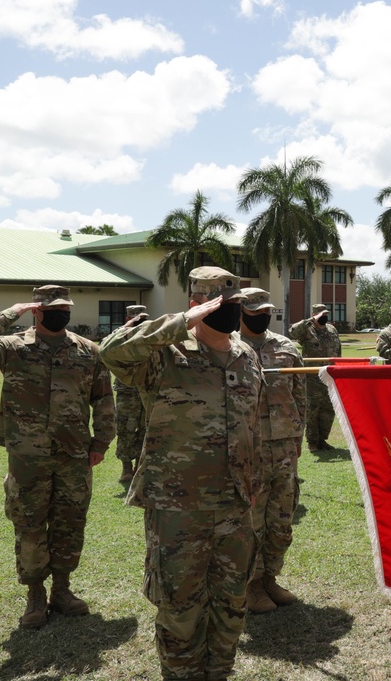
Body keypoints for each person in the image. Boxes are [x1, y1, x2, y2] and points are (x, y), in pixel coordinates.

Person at [99, 267, 263, 681]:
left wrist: (254, 482)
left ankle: (219, 672)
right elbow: (111, 351)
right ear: (197, 304)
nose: (231, 312)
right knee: (180, 608)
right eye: (221, 305)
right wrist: (177, 324)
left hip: (234, 507)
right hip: (177, 510)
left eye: (235, 304)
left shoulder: (248, 358)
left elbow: (251, 428)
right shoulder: (163, 356)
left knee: (231, 603)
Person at [0, 285, 114, 628]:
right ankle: (35, 594)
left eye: (65, 307)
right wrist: (8, 314)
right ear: (36, 311)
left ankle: (62, 590)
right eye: (53, 308)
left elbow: (103, 399)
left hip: (74, 454)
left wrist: (101, 443)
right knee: (29, 524)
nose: (62, 313)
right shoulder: (13, 347)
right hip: (28, 455)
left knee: (70, 523)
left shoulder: (88, 351)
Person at [238, 288, 307, 615]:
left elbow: (299, 395)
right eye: (255, 311)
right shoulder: (229, 349)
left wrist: (298, 438)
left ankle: (270, 578)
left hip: (283, 447)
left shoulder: (287, 347)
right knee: (252, 520)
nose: (262, 316)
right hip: (248, 449)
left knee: (281, 517)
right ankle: (250, 585)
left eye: (266, 310)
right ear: (241, 313)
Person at [289, 303, 341, 452]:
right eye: (321, 315)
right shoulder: (307, 331)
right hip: (312, 378)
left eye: (325, 314)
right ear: (314, 315)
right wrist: (309, 321)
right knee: (312, 410)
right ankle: (312, 442)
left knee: (328, 409)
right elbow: (292, 332)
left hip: (330, 376)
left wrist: (339, 370)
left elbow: (338, 351)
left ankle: (322, 440)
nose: (324, 317)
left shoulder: (332, 330)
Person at [114, 304, 148, 482]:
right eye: (136, 319)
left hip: (147, 389)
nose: (140, 322)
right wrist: (125, 329)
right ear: (128, 319)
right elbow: (107, 347)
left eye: (143, 319)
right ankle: (126, 468)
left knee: (145, 428)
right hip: (126, 391)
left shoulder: (150, 336)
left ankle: (138, 467)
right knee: (125, 428)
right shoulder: (119, 336)